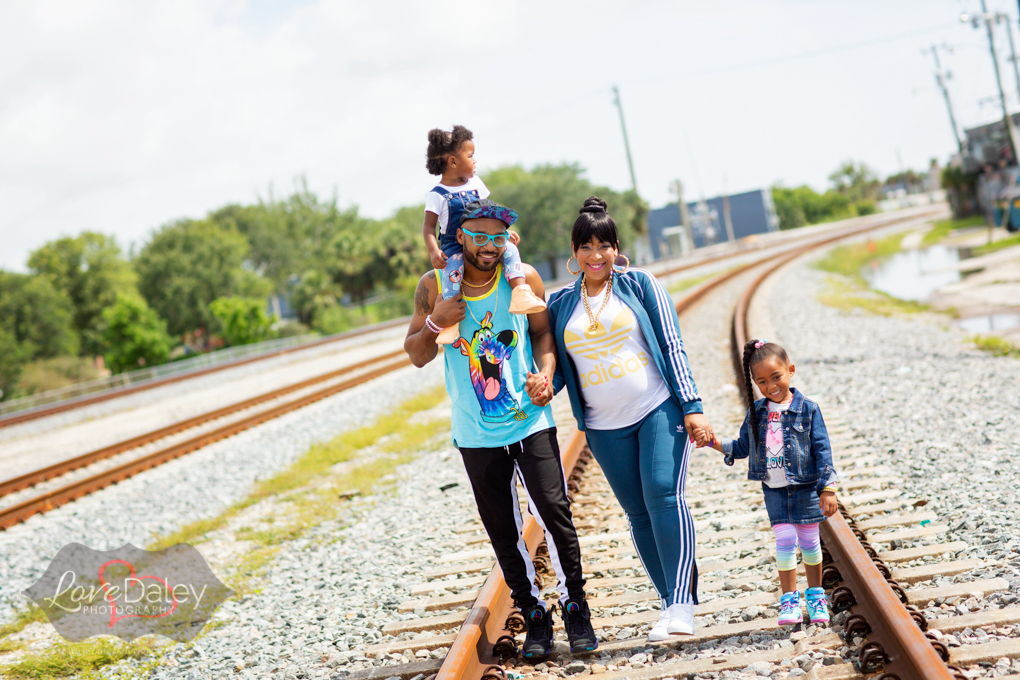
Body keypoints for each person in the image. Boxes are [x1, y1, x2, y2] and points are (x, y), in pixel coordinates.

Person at [404, 199, 597, 659]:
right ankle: (533, 613)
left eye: (497, 236)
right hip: (475, 433)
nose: (489, 245)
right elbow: (415, 353)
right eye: (479, 235)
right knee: (502, 529)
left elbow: (542, 334)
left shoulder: (523, 279)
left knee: (554, 512)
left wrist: (546, 375)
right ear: (461, 236)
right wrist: (436, 322)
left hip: (529, 420)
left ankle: (576, 607)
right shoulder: (434, 286)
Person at [546, 196, 714, 643]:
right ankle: (669, 602)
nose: (595, 255)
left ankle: (683, 604)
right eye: (586, 246)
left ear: (616, 248)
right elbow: (559, 368)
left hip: (656, 408)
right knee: (638, 513)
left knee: (664, 495)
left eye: (604, 246)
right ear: (574, 251)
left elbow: (671, 344)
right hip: (603, 427)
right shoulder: (560, 303)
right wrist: (539, 387)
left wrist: (691, 404)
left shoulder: (640, 284)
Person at [698, 338, 839, 626]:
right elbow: (741, 448)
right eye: (762, 381)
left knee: (810, 543)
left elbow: (822, 450)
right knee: (785, 543)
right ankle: (789, 601)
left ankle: (815, 596)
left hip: (805, 488)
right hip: (774, 491)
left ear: (791, 370)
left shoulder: (808, 410)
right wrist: (711, 441)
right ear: (755, 383)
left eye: (777, 377)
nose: (771, 386)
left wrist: (828, 488)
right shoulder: (757, 413)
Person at [422, 125, 546, 344]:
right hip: (453, 245)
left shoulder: (476, 184)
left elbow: (490, 213)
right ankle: (450, 324)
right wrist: (434, 251)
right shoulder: (437, 195)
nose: (475, 160)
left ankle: (520, 292)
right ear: (453, 162)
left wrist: (503, 233)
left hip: (484, 239)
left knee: (510, 250)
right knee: (453, 271)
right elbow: (428, 228)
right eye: (470, 156)